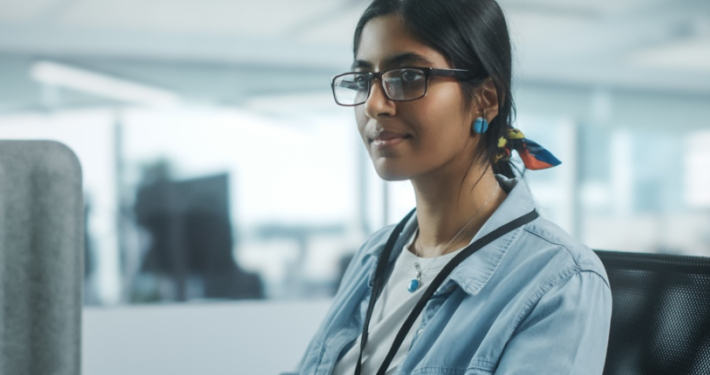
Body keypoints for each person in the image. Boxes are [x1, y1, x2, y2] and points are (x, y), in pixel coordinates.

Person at [296, 0, 612, 374]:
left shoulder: (559, 281)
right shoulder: (375, 254)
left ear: (485, 100)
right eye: (364, 80)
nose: (375, 104)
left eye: (408, 76)